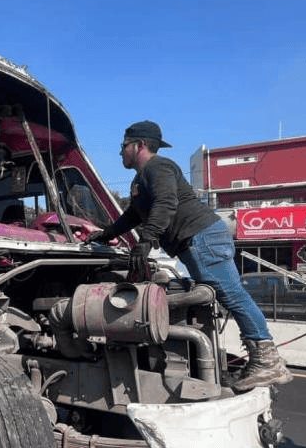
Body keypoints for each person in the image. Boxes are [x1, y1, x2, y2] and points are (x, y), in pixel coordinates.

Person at [87, 120, 292, 392]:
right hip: (196, 240)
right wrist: (105, 234)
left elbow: (166, 202)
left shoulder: (159, 167)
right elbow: (133, 215)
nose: (120, 152)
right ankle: (260, 358)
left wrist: (147, 239)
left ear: (140, 145)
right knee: (222, 295)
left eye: (123, 146)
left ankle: (267, 361)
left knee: (232, 295)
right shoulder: (140, 180)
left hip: (202, 236)